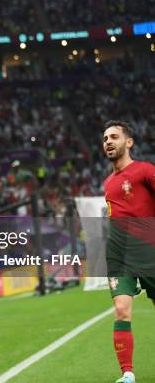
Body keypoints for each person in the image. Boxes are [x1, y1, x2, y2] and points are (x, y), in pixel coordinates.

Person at [102, 120, 155, 383]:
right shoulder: (108, 183)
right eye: (105, 138)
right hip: (119, 252)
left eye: (114, 136)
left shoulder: (145, 171)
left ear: (129, 142)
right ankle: (128, 375)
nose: (108, 141)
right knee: (122, 309)